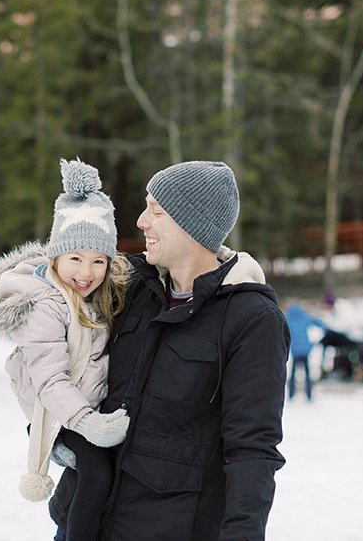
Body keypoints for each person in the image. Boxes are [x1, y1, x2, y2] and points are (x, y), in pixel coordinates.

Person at [49, 160, 289, 541]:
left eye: (156, 211)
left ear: (192, 224)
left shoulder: (251, 318)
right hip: (83, 517)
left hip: (167, 527)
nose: (142, 221)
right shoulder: (131, 287)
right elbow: (47, 283)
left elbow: (252, 449)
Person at [0, 158, 130, 541]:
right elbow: (49, 379)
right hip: (56, 412)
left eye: (98, 260)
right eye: (75, 259)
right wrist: (88, 422)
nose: (86, 272)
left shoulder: (97, 295)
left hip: (82, 404)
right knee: (95, 472)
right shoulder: (45, 304)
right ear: (55, 258)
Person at [285, 302, 330, 402]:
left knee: (293, 375)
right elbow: (318, 323)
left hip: (295, 351)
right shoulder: (304, 318)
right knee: (307, 374)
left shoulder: (288, 319)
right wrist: (324, 330)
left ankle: (291, 395)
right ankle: (309, 396)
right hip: (306, 350)